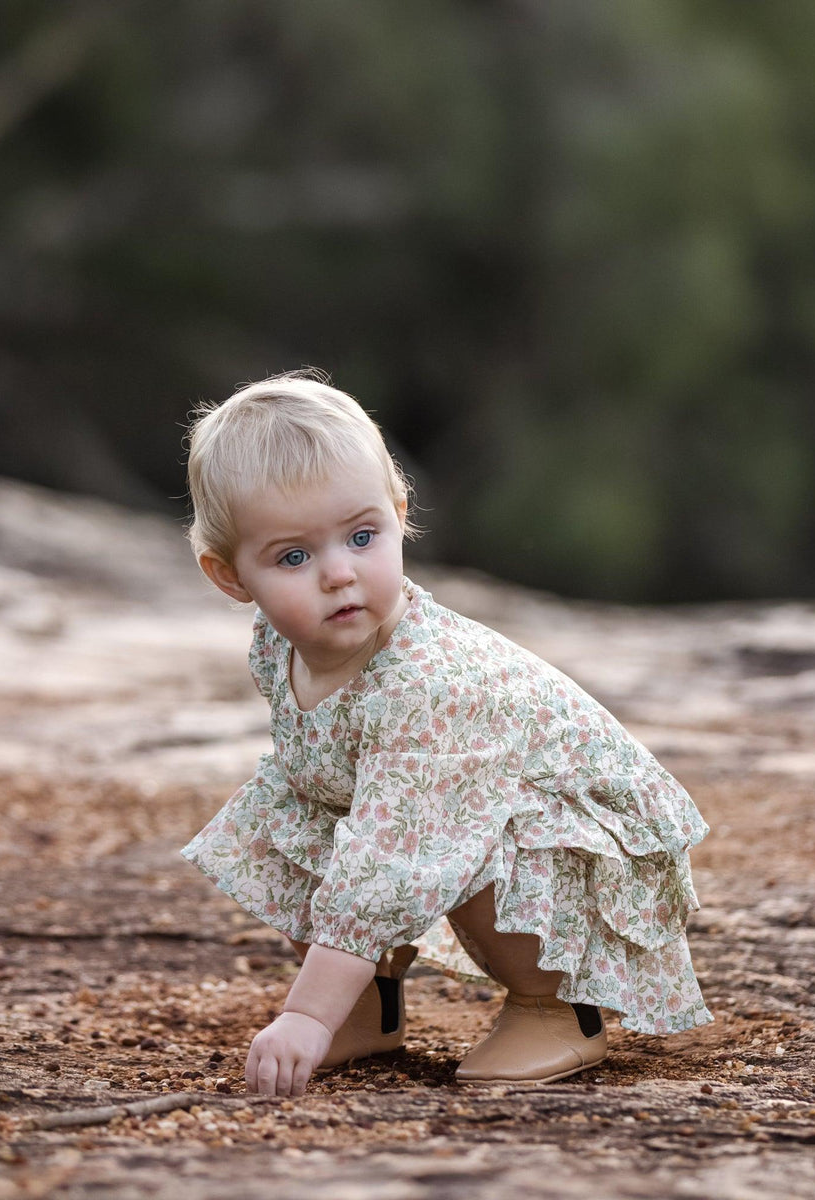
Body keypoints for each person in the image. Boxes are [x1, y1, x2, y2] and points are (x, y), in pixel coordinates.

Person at [179, 370, 711, 1098]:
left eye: (363, 536)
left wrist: (304, 1013)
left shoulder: (427, 683)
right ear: (230, 576)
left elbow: (395, 856)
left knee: (471, 849)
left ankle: (557, 1006)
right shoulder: (279, 645)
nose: (339, 574)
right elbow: (349, 814)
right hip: (416, 814)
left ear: (400, 513)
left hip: (575, 838)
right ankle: (367, 1007)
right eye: (293, 557)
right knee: (294, 821)